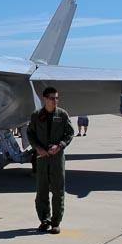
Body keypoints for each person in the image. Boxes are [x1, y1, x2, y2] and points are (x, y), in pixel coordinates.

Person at [26, 87, 74, 234]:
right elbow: (30, 133)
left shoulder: (62, 114)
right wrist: (37, 148)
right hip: (41, 158)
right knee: (42, 191)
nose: (55, 101)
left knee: (58, 191)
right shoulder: (36, 116)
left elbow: (70, 133)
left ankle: (55, 222)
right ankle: (44, 220)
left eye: (56, 98)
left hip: (57, 158)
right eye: (52, 98)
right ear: (45, 99)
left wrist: (60, 146)